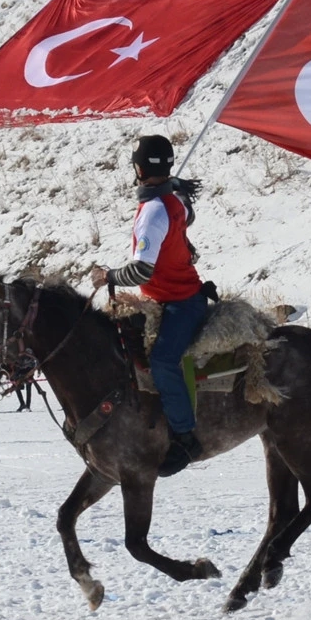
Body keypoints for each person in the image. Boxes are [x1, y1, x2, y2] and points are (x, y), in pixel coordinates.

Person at [91, 135, 207, 475]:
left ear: (138, 169)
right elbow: (187, 213)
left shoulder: (154, 211)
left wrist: (107, 276)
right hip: (165, 296)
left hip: (180, 302)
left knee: (162, 362)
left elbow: (142, 269)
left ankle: (185, 437)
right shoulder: (173, 202)